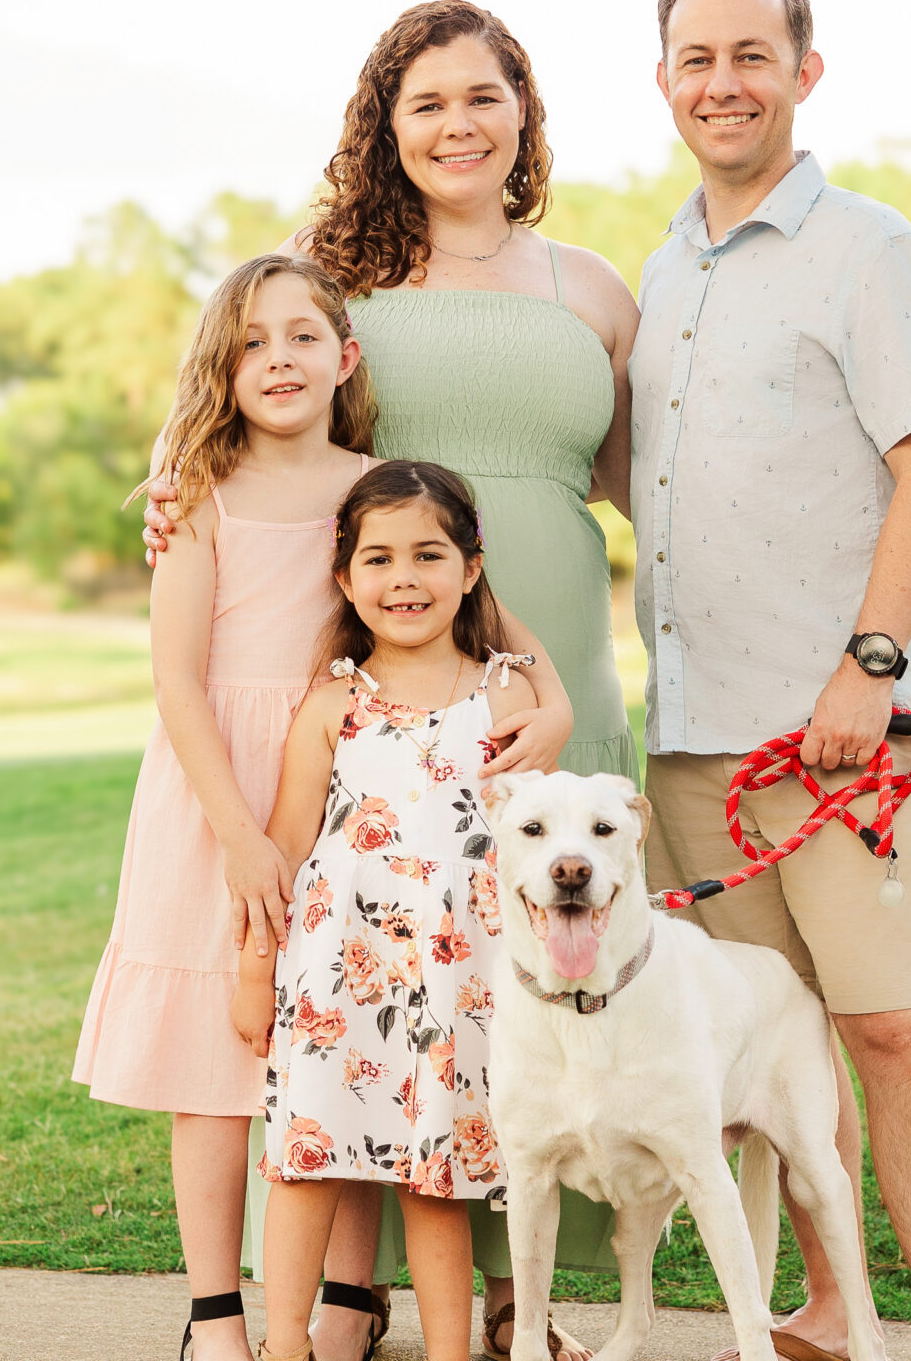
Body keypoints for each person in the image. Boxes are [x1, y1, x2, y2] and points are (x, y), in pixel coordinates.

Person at [144, 0, 638, 1350]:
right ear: (386, 123)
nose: (457, 123)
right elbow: (246, 381)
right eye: (425, 102)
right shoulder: (334, 271)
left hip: (543, 664)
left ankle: (513, 1295)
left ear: (523, 111)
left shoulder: (590, 286)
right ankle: (347, 1297)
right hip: (380, 676)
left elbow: (645, 481)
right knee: (383, 972)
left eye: (483, 95)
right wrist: (165, 482)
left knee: (523, 964)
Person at [75, 255, 570, 1361]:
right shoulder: (197, 490)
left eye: (302, 336)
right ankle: (218, 1309)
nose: (278, 358)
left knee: (358, 1021)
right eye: (251, 341)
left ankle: (354, 1292)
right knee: (216, 1049)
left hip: (356, 778)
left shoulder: (379, 479)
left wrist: (559, 697)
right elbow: (174, 680)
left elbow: (492, 616)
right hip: (217, 783)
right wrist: (241, 838)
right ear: (222, 364)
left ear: (344, 357)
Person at [631, 0, 911, 1361]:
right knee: (774, 1049)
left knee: (891, 1027)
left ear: (803, 72)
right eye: (694, 59)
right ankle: (836, 1307)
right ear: (662, 82)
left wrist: (872, 664)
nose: (722, 83)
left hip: (840, 735)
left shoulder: (871, 250)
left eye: (749, 55)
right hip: (693, 734)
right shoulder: (659, 273)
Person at [234, 461, 532, 1361]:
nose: (404, 578)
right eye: (379, 559)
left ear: (472, 569)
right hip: (336, 975)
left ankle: (449, 1351)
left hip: (456, 979)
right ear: (345, 578)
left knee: (436, 1180)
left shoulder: (507, 695)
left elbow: (530, 843)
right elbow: (282, 850)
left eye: (430, 555)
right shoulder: (335, 703)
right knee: (306, 1163)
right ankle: (283, 1346)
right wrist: (254, 972)